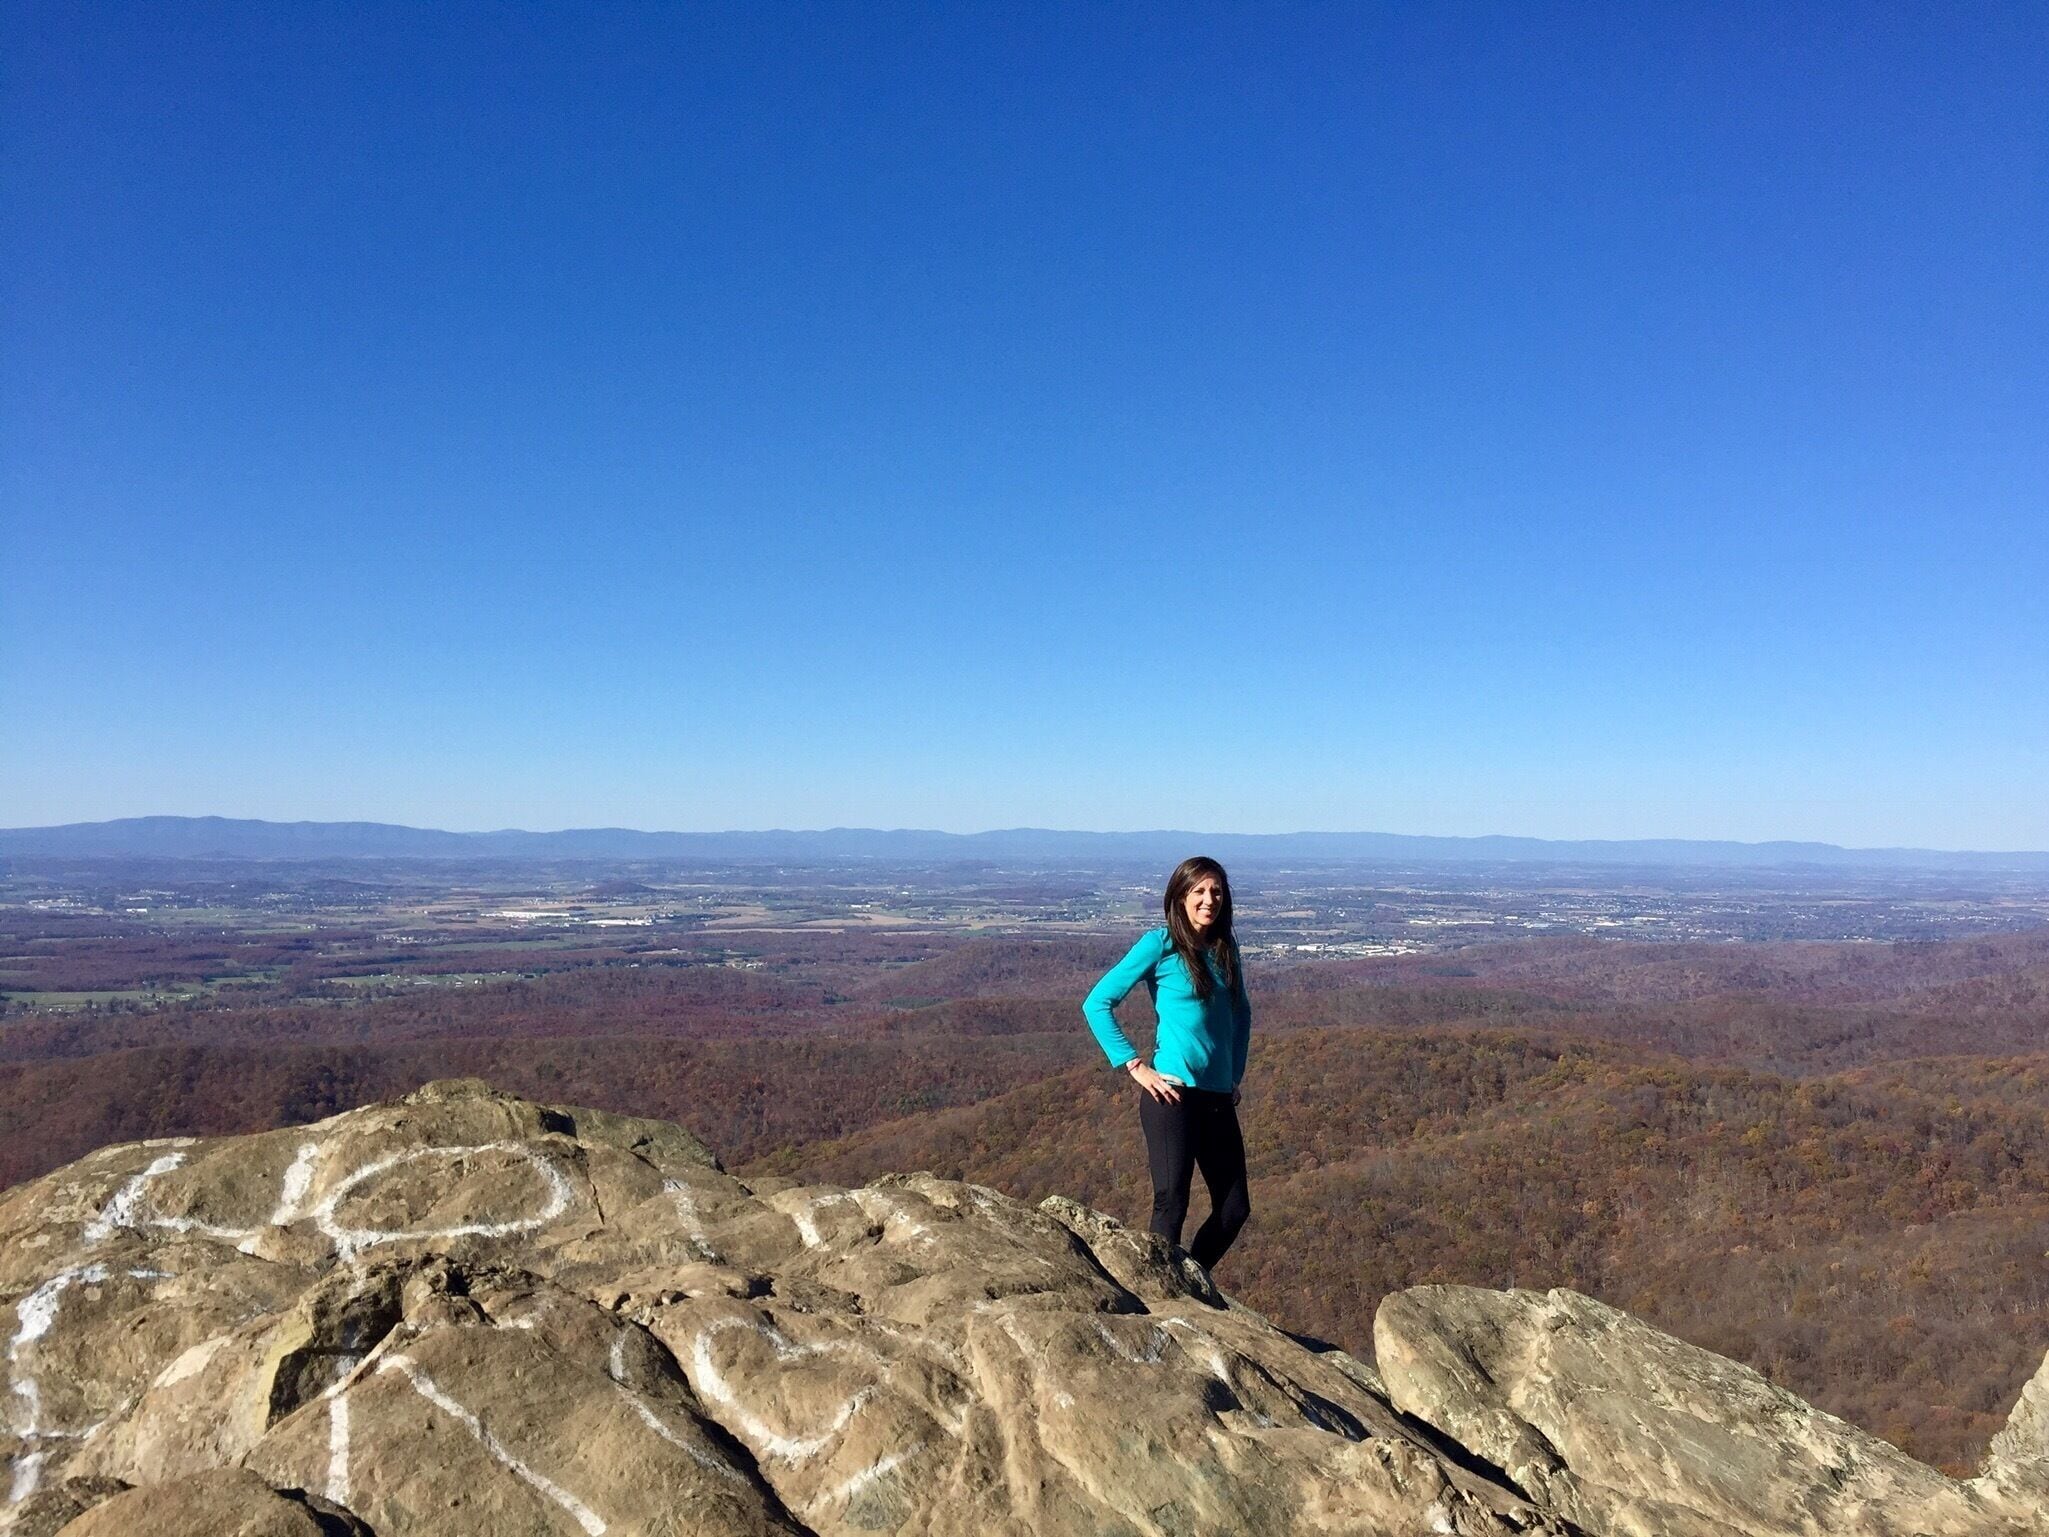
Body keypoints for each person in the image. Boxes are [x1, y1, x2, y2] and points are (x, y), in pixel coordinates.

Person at [1081, 855, 1252, 1272]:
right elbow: (1096, 1003)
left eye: (1216, 891)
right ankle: (1160, 1293)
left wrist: (1233, 1074)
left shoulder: (1226, 950)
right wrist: (1134, 1065)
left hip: (1216, 1098)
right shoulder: (1160, 945)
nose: (1208, 899)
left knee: (1234, 1209)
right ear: (1179, 897)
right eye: (1198, 891)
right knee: (1172, 1202)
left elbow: (1241, 1014)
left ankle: (1189, 1280)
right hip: (1171, 1094)